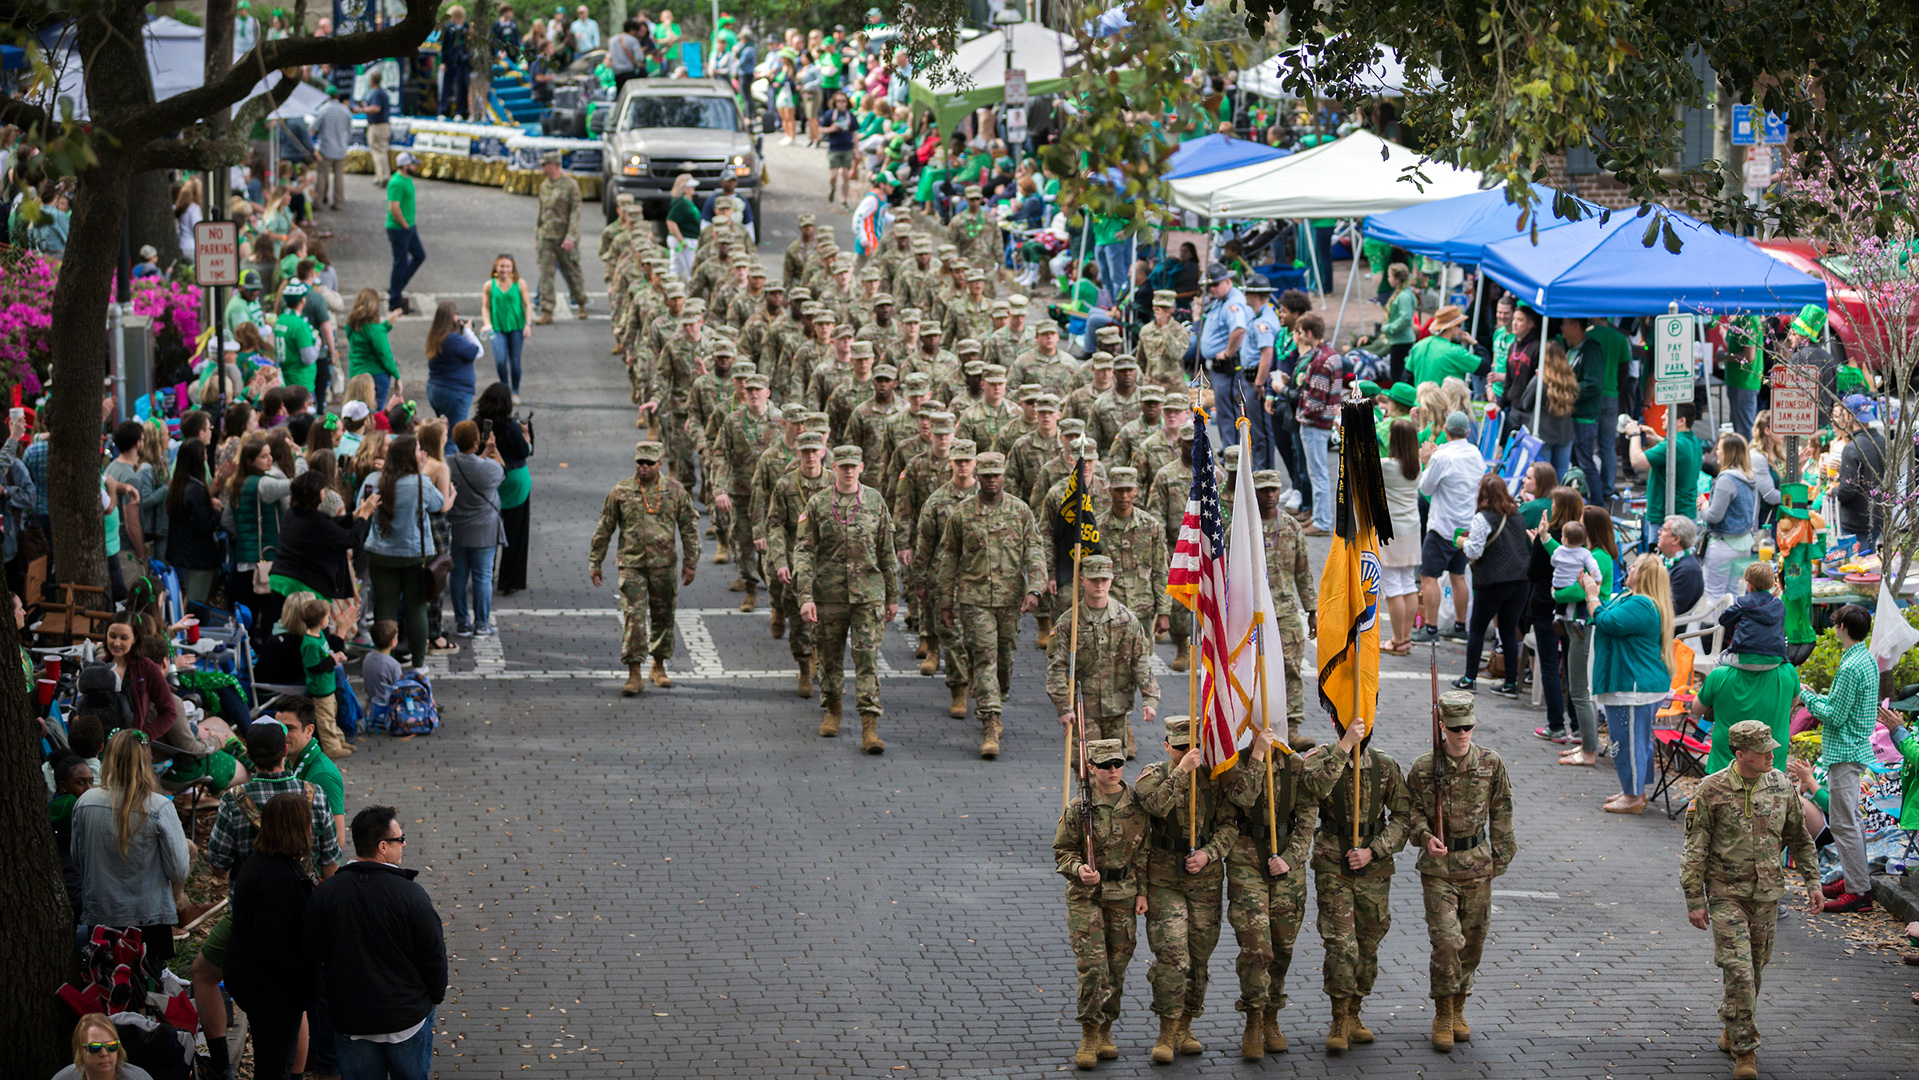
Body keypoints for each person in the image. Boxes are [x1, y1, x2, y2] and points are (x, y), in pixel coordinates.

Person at [1679, 720, 1823, 1080]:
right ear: (1740, 754)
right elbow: (1694, 849)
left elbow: (1800, 838)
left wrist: (1813, 881)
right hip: (1726, 894)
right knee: (1739, 971)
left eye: (1771, 748)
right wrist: (1695, 898)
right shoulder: (1710, 790)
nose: (1772, 754)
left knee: (1754, 970)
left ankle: (1733, 1024)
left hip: (1767, 895)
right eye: (1763, 751)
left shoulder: (1781, 786)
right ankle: (1746, 1052)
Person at [1403, 691, 1516, 1051]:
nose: (1462, 733)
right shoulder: (1424, 767)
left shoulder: (1490, 763)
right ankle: (1442, 1010)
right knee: (1448, 942)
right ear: (1442, 727)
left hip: (1478, 865)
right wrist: (1423, 836)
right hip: (1439, 869)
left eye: (1468, 726)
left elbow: (1502, 813)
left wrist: (1499, 859)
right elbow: (1411, 813)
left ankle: (1459, 1004)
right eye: (1455, 728)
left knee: (1473, 943)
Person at [305, 805, 448, 1080]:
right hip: (407, 1020)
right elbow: (433, 957)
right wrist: (433, 999)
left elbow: (313, 952)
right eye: (400, 839)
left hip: (351, 1020)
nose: (404, 844)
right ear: (383, 847)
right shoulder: (412, 896)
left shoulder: (327, 894)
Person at [1134, 716, 1240, 1062]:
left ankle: (1186, 1023)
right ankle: (1166, 1030)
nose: (1187, 753)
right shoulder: (1155, 777)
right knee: (1172, 956)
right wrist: (1182, 772)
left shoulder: (1214, 779)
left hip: (1205, 880)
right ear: (1167, 747)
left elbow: (1229, 825)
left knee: (1198, 957)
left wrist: (1209, 854)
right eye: (1179, 748)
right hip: (1164, 879)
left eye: (1192, 747)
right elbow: (1154, 806)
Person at [934, 450, 1043, 759]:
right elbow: (949, 557)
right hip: (974, 598)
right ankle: (991, 722)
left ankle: (997, 693)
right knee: (984, 659)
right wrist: (945, 600)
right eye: (986, 475)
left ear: (1004, 477)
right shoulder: (962, 513)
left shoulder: (1020, 511)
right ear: (977, 477)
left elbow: (1034, 551)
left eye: (997, 475)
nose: (992, 480)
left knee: (1005, 659)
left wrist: (1034, 589)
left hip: (1010, 599)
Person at [1312, 719, 1411, 1052]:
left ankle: (1355, 1011)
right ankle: (1338, 1017)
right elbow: (1313, 792)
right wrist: (1343, 750)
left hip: (1374, 868)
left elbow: (1402, 816)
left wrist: (1374, 850)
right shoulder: (1321, 759)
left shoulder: (1384, 765)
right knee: (1341, 944)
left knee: (1368, 945)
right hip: (1333, 864)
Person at [794, 446, 898, 751]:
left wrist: (893, 596)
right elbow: (803, 551)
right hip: (829, 594)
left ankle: (869, 725)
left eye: (854, 466)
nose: (849, 472)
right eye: (843, 466)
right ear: (834, 467)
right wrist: (805, 596)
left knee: (867, 659)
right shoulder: (818, 504)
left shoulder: (875, 501)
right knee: (829, 657)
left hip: (868, 595)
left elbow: (887, 550)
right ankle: (833, 710)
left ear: (862, 467)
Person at [1053, 735, 1149, 1068]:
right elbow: (1062, 851)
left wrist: (1143, 893)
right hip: (1086, 896)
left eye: (1118, 764)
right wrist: (1078, 868)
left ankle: (1107, 1028)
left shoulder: (1137, 804)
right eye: (1105, 765)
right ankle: (1089, 1034)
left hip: (1123, 894)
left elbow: (1144, 853)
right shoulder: (1080, 806)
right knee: (1093, 967)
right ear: (1091, 768)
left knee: (1117, 967)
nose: (1113, 770)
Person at [70, 729, 191, 976]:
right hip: (150, 918)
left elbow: (78, 858)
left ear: (109, 758)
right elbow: (179, 869)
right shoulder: (159, 806)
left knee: (109, 989)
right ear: (145, 760)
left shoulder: (84, 803)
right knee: (149, 993)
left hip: (101, 916)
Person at [590, 441, 698, 695]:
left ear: (660, 464)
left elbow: (689, 527)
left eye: (650, 463)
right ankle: (634, 672)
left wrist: (691, 562)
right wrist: (596, 561)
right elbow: (605, 527)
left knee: (663, 616)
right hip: (632, 565)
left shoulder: (674, 490)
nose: (644, 467)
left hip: (664, 565)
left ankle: (658, 666)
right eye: (640, 462)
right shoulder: (621, 491)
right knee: (634, 619)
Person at [226, 791, 320, 1080]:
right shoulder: (279, 877)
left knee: (276, 1058)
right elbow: (274, 944)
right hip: (271, 988)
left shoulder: (263, 862)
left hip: (258, 981)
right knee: (274, 1064)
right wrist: (306, 971)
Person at [1797, 603, 1881, 913]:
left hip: (1845, 750)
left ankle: (1859, 892)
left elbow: (1833, 714)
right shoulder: (1865, 658)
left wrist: (1806, 695)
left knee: (1845, 823)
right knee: (1852, 821)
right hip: (1854, 746)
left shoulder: (1850, 666)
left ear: (1842, 627)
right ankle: (1854, 879)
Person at [1047, 553, 1158, 761]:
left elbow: (1141, 661)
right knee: (1087, 769)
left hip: (1117, 708)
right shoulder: (1068, 623)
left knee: (1113, 770)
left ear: (1111, 580)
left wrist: (1150, 697)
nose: (1099, 585)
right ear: (1082, 581)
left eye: (1104, 580)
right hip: (1084, 708)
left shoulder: (1127, 620)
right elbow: (1057, 667)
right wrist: (1063, 706)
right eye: (1093, 580)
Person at [1588, 553, 1676, 815]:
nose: (1630, 567)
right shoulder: (1637, 600)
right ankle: (1634, 789)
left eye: (1635, 565)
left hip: (1635, 685)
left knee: (1628, 742)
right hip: (1634, 682)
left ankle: (1634, 796)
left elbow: (1607, 621)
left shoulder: (1641, 604)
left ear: (1643, 575)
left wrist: (1592, 595)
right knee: (1633, 740)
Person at [360, 435, 446, 668]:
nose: (422, 453)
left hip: (380, 553)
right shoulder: (421, 482)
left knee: (385, 607)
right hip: (415, 555)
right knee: (416, 608)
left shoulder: (373, 480)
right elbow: (439, 504)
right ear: (410, 456)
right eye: (419, 449)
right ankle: (419, 664)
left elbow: (361, 508)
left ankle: (384, 660)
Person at [1455, 474, 1529, 696]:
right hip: (1520, 580)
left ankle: (1469, 679)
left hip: (1493, 581)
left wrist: (1462, 543)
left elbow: (1475, 551)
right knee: (1508, 630)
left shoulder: (1483, 518)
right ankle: (1510, 683)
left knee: (1477, 629)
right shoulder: (1517, 515)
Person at [1415, 412, 1484, 642]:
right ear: (1467, 432)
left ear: (1445, 430)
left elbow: (1425, 488)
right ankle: (1460, 626)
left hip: (1442, 526)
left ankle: (1431, 628)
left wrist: (1427, 461)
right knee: (1458, 576)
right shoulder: (1475, 453)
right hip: (1465, 527)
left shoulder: (1442, 458)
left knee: (1428, 576)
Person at [447, 421, 505, 636]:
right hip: (484, 532)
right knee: (482, 577)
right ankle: (482, 624)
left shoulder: (448, 464)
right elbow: (501, 469)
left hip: (457, 530)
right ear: (476, 441)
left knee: (458, 577)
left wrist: (482, 453)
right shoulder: (488, 468)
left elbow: (467, 469)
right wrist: (493, 450)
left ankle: (462, 622)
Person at [474, 384, 533, 592]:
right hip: (515, 483)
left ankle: (485, 573)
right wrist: (527, 436)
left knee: (485, 531)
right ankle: (510, 581)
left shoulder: (475, 425)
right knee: (515, 534)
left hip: (487, 482)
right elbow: (524, 451)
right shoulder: (513, 427)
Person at [1700, 432, 1767, 601]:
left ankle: (1716, 628)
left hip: (1723, 544)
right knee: (1733, 593)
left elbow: (1714, 516)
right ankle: (1731, 628)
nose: (1716, 452)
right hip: (1743, 544)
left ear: (1728, 452)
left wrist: (1704, 506)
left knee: (1714, 595)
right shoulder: (1749, 477)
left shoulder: (1726, 480)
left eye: (1720, 449)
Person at [1627, 403, 1701, 547]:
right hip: (1687, 514)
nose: (1662, 417)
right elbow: (1675, 450)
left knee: (1660, 566)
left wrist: (1634, 434)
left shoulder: (1676, 445)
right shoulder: (1693, 441)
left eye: (1667, 414)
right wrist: (1658, 438)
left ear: (1681, 421)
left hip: (1666, 520)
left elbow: (1637, 461)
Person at [533, 151, 588, 323]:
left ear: (553, 165)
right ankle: (547, 310)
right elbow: (541, 212)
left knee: (572, 273)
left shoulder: (570, 185)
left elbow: (575, 213)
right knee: (546, 274)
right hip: (547, 237)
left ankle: (581, 303)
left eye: (545, 164)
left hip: (564, 238)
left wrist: (571, 236)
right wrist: (538, 236)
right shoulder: (544, 186)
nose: (542, 168)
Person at [1832, 394, 1887, 549]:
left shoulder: (1852, 447)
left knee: (1856, 570)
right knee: (1870, 569)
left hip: (1855, 524)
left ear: (1849, 416)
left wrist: (1833, 491)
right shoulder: (1882, 442)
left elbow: (1847, 490)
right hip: (1877, 520)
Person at [1515, 340, 1578, 476]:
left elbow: (1525, 403)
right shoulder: (1570, 380)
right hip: (1565, 433)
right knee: (1561, 476)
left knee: (1544, 478)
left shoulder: (1540, 381)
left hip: (1543, 434)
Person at [479, 253, 531, 397]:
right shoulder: (489, 285)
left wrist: (527, 324)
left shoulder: (520, 283)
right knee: (501, 360)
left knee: (515, 362)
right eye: (502, 266)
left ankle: (515, 391)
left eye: (508, 266)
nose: (505, 270)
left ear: (512, 268)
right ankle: (505, 388)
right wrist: (487, 323)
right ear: (496, 267)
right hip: (497, 327)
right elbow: (485, 307)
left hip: (516, 327)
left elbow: (527, 305)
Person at [424, 302, 482, 421]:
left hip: (436, 388)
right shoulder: (453, 339)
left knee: (443, 431)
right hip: (454, 391)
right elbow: (477, 351)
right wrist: (468, 331)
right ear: (451, 317)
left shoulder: (436, 336)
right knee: (454, 434)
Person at [347, 287, 402, 409]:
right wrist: (396, 376)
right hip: (376, 376)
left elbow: (371, 333)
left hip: (356, 374)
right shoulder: (375, 331)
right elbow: (385, 355)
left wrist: (388, 322)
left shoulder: (351, 326)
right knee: (376, 412)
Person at [55, 1014, 156, 1080]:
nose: (104, 1053)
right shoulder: (63, 1078)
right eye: (95, 1047)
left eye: (111, 1046)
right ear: (80, 1052)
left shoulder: (139, 1078)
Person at [385, 152, 425, 314]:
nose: (415, 166)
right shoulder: (397, 182)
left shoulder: (406, 179)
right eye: (413, 164)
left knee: (419, 256)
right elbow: (393, 207)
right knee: (400, 263)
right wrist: (404, 225)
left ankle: (396, 288)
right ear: (405, 165)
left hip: (408, 226)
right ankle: (394, 300)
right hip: (400, 228)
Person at [1656, 515, 1706, 615]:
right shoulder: (1668, 559)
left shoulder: (1688, 570)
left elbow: (1670, 609)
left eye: (1664, 530)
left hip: (1666, 626)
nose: (1659, 532)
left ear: (1676, 539)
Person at [362, 619, 405, 713]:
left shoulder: (368, 657)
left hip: (371, 703)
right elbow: (399, 688)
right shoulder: (393, 664)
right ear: (392, 642)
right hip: (386, 706)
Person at [664, 174, 700, 280]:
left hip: (688, 239)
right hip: (685, 241)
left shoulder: (687, 201)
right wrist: (681, 240)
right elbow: (671, 222)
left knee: (675, 270)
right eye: (690, 187)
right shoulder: (680, 203)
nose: (692, 189)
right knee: (691, 270)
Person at [438, 7, 472, 119]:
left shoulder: (466, 27)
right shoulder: (449, 28)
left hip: (462, 62)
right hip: (450, 60)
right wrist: (443, 62)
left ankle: (460, 111)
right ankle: (443, 110)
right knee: (446, 86)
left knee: (461, 87)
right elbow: (444, 46)